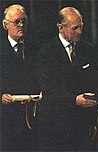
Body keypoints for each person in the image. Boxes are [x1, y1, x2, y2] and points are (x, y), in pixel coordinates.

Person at [36, 7, 98, 151]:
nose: (79, 31)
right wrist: (74, 100)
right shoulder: (45, 54)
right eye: (75, 28)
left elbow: (94, 82)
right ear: (60, 28)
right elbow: (49, 89)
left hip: (82, 126)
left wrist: (93, 120)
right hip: (55, 127)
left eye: (81, 27)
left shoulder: (88, 50)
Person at [1, 4, 40, 151]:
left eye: (24, 21)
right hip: (5, 119)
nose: (22, 25)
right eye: (17, 22)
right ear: (5, 25)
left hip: (31, 116)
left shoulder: (36, 48)